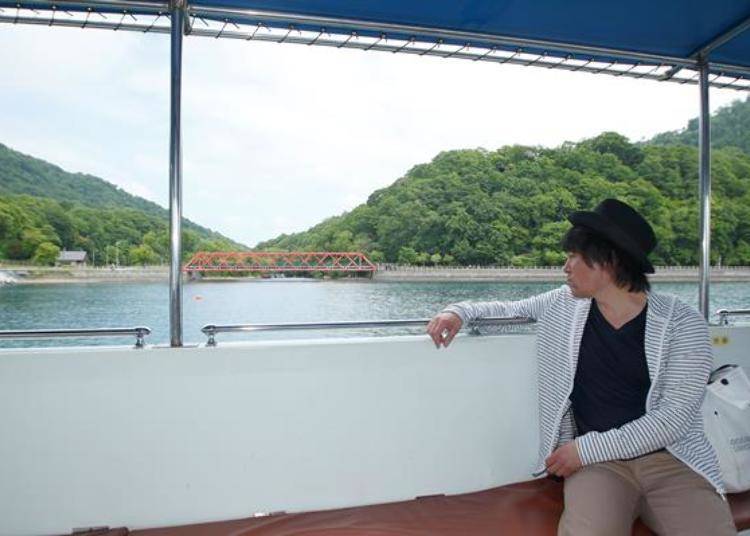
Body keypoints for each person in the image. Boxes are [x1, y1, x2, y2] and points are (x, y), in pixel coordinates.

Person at [426, 199, 737, 536]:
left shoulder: (682, 323)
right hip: (598, 468)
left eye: (575, 256)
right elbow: (508, 312)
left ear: (611, 261)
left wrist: (584, 449)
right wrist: (458, 312)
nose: (566, 266)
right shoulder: (563, 305)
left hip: (673, 461)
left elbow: (672, 420)